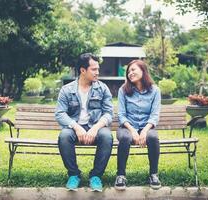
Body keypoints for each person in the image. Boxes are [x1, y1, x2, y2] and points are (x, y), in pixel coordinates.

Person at [55, 53, 113, 192]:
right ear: (82, 70)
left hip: (96, 126)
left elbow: (109, 113)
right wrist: (76, 127)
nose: (97, 72)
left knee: (106, 136)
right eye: (94, 69)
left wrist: (95, 128)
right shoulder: (67, 90)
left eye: (98, 69)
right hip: (75, 127)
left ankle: (96, 176)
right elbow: (60, 113)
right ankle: (74, 174)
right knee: (64, 136)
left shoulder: (103, 88)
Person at [114, 60, 161, 190]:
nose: (130, 73)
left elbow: (154, 115)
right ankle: (121, 175)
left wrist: (144, 131)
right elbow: (122, 115)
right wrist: (133, 131)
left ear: (143, 71)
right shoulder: (123, 90)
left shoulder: (155, 90)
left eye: (133, 70)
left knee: (152, 137)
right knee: (125, 138)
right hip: (127, 126)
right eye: (129, 71)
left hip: (147, 126)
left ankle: (153, 174)